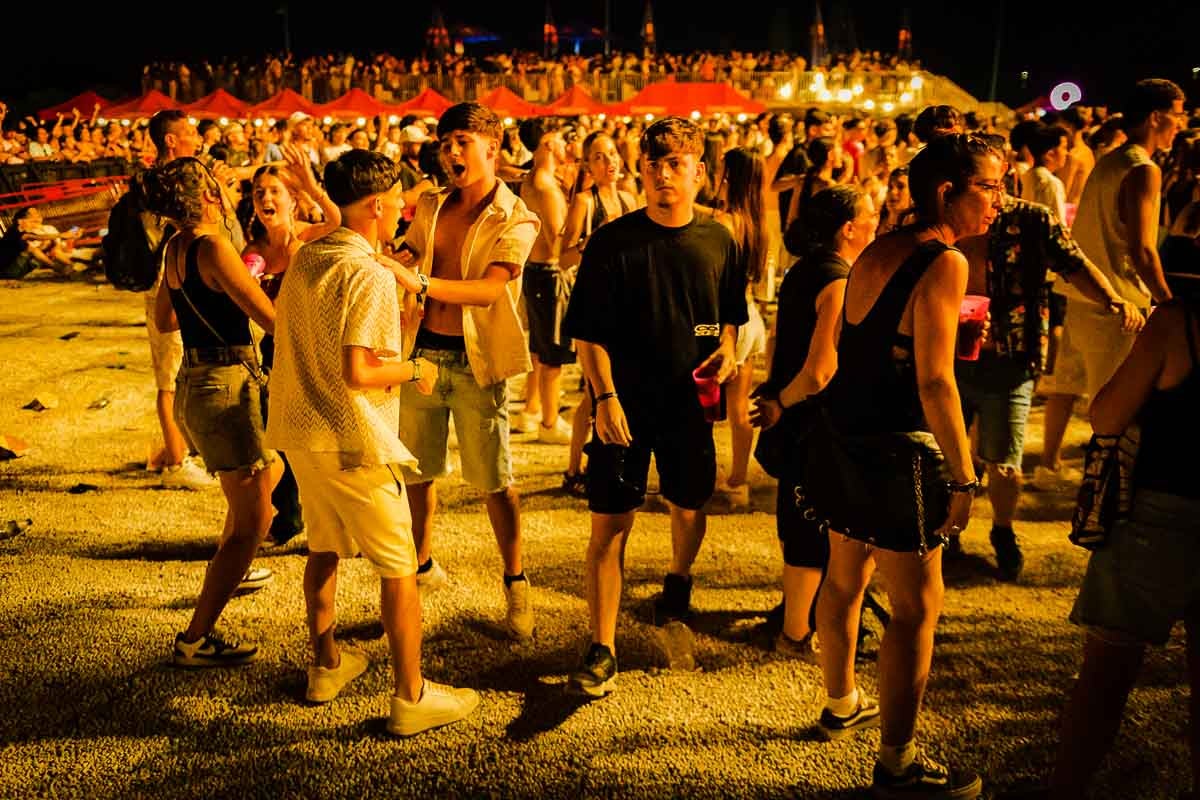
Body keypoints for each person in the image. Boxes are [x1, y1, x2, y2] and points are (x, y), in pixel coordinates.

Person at [810, 133, 1003, 798]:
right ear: (947, 190)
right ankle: (898, 761)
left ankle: (841, 700)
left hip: (846, 429)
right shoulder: (943, 260)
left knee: (844, 576)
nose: (999, 202)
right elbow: (935, 383)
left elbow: (855, 342)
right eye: (989, 187)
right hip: (896, 445)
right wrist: (964, 476)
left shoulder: (882, 244)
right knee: (917, 607)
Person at [264, 148, 479, 736]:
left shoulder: (309, 255)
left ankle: (326, 665)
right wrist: (416, 371)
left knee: (324, 546)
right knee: (399, 566)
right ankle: (411, 695)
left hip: (300, 431)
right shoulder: (370, 273)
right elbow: (360, 371)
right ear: (380, 205)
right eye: (400, 205)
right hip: (351, 437)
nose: (404, 214)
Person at [561, 116, 747, 696]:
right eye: (653, 165)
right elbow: (587, 334)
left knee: (689, 503)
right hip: (625, 406)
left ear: (699, 172)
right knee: (610, 524)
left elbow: (732, 318)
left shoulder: (720, 240)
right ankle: (602, 647)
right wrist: (606, 397)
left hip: (689, 406)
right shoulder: (614, 241)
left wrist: (727, 352)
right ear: (641, 171)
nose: (663, 175)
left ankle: (678, 578)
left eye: (675, 165)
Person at [385, 103, 540, 640]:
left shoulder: (516, 216)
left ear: (492, 148)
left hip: (477, 364)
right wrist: (383, 259)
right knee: (418, 471)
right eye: (446, 141)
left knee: (494, 480)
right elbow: (406, 253)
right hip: (422, 352)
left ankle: (516, 584)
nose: (451, 152)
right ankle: (421, 568)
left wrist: (419, 283)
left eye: (463, 142)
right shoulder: (430, 204)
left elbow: (490, 289)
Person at [1046, 295, 1200, 798]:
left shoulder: (1179, 322)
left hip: (1159, 518)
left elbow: (1108, 414)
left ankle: (1066, 790)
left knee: (1106, 674)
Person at [144, 157, 284, 667]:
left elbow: (164, 319)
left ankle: (232, 566)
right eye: (216, 181)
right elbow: (270, 321)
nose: (226, 188)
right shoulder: (215, 245)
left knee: (271, 473)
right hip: (228, 383)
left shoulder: (177, 248)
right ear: (205, 193)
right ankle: (196, 637)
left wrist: (213, 294)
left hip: (196, 384)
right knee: (255, 521)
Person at [1038, 79, 1187, 488]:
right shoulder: (1143, 169)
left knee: (1066, 387)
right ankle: (1108, 495)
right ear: (1156, 117)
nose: (1182, 123)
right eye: (1178, 114)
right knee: (1118, 411)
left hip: (1084, 295)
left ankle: (1048, 464)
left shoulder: (1110, 160)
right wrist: (1169, 304)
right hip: (1119, 306)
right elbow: (1142, 250)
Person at [750, 184, 877, 655]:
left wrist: (773, 393)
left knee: (797, 521)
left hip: (792, 421)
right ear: (848, 229)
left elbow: (779, 343)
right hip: (814, 423)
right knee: (812, 528)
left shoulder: (805, 270)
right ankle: (795, 636)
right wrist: (783, 399)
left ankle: (796, 619)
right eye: (870, 215)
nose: (876, 222)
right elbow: (821, 369)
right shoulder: (839, 282)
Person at [242, 143, 342, 547]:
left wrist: (313, 185)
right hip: (274, 351)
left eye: (275, 191)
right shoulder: (253, 252)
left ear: (292, 201)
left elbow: (337, 221)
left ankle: (329, 519)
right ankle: (288, 518)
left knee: (318, 438)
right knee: (278, 435)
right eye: (259, 192)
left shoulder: (308, 237)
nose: (267, 198)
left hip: (317, 348)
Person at [559, 131, 639, 497]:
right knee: (594, 392)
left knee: (611, 388)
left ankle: (601, 461)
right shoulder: (584, 202)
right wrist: (595, 241)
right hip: (594, 307)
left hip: (627, 306)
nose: (609, 162)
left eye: (612, 154)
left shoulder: (629, 198)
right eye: (599, 156)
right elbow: (563, 257)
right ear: (588, 165)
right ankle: (576, 467)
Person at [710, 147, 770, 509]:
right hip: (749, 316)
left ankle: (702, 476)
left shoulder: (724, 224)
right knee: (739, 407)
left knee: (704, 403)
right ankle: (739, 478)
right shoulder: (758, 222)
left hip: (722, 321)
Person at [512, 117, 574, 444]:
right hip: (549, 274)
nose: (566, 145)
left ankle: (532, 408)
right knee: (552, 352)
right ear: (548, 143)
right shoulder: (545, 186)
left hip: (536, 274)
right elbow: (557, 244)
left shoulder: (535, 179)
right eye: (561, 139)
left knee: (539, 348)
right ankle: (550, 423)